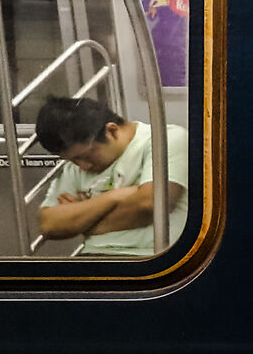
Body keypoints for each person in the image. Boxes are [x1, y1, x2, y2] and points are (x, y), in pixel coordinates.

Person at [34, 95, 189, 256]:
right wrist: (114, 197)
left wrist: (85, 222)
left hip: (151, 256)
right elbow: (49, 224)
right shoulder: (76, 166)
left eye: (87, 156)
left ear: (112, 131)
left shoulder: (165, 138)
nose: (84, 166)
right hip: (92, 259)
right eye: (73, 160)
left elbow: (150, 204)